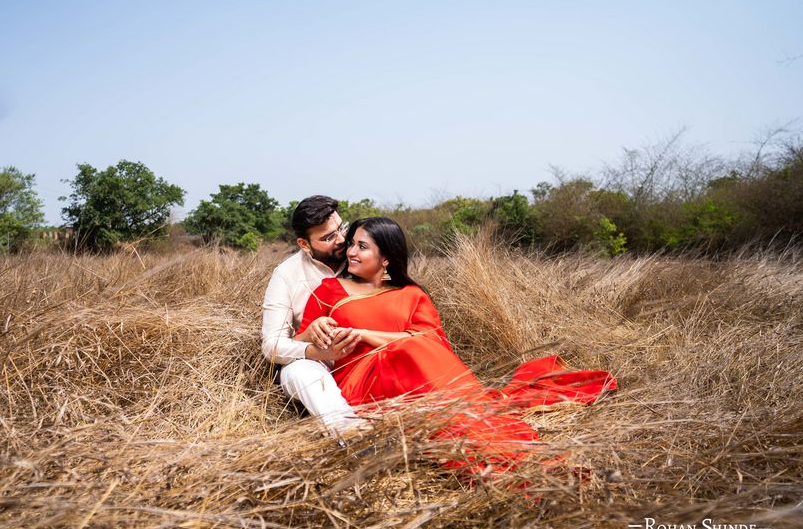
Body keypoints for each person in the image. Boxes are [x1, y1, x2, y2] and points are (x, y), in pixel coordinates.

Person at [297, 216, 617, 475]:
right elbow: (295, 343)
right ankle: (480, 446)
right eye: (351, 244)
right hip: (361, 380)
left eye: (362, 247)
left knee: (417, 350)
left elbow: (431, 342)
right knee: (409, 349)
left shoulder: (412, 295)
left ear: (386, 259)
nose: (350, 252)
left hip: (416, 374)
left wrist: (366, 334)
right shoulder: (329, 290)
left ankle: (492, 447)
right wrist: (312, 330)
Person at [261, 196, 368, 433]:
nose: (341, 239)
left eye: (341, 227)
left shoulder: (362, 255)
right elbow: (271, 346)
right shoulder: (286, 275)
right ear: (304, 244)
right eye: (328, 238)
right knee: (300, 372)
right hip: (316, 363)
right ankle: (354, 436)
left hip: (366, 354)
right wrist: (310, 344)